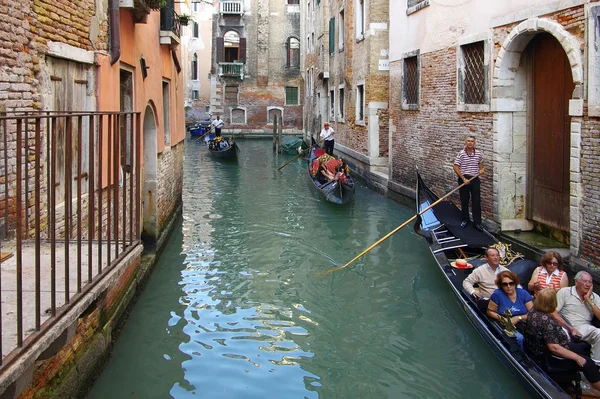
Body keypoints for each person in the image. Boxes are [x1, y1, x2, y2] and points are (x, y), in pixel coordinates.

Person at [525, 288, 600, 390]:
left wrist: (570, 328)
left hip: (549, 348)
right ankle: (595, 387)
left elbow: (553, 314)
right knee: (588, 363)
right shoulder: (546, 321)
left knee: (586, 346)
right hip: (553, 357)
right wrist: (578, 358)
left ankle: (591, 376)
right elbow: (554, 348)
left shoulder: (533, 311)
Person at [552, 271, 600, 363]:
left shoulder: (594, 297)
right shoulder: (565, 292)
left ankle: (596, 365)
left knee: (599, 333)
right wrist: (570, 328)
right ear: (576, 282)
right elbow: (553, 312)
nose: (587, 284)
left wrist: (588, 300)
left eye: (590, 282)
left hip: (584, 327)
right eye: (585, 281)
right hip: (565, 325)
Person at [453, 136, 484, 230]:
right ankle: (465, 220)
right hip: (464, 179)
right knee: (465, 200)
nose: (470, 143)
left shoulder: (478, 153)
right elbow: (455, 167)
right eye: (468, 141)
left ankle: (477, 222)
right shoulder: (461, 154)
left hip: (474, 179)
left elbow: (481, 164)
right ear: (466, 142)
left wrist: (481, 169)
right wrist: (463, 178)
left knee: (476, 201)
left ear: (474, 143)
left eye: (472, 141)